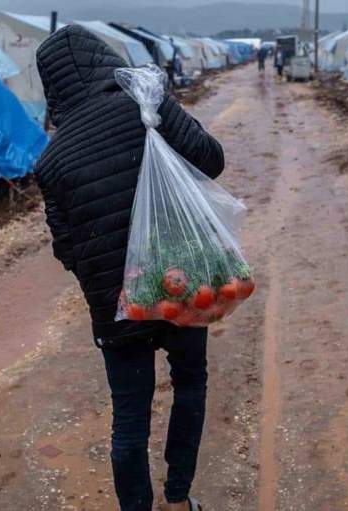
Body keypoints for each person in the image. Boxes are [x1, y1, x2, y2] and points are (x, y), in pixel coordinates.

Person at [34, 25, 225, 511]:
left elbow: (66, 250)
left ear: (51, 87)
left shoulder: (51, 160)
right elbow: (211, 159)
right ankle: (179, 499)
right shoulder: (145, 104)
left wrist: (107, 278)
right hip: (180, 285)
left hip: (116, 309)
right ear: (104, 58)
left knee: (129, 422)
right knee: (190, 385)